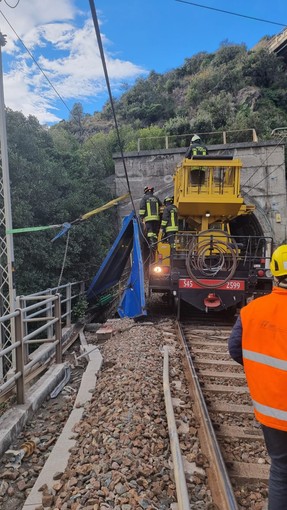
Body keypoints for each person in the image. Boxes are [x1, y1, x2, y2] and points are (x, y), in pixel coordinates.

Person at [228, 244, 287, 510]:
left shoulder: (252, 310)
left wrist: (260, 372)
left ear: (274, 272)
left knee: (281, 471)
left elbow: (234, 349)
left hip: (272, 412)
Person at [139, 186, 161, 250]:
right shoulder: (156, 198)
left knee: (150, 232)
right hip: (156, 219)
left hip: (149, 219)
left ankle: (152, 244)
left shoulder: (144, 198)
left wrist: (141, 217)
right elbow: (161, 205)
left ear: (145, 191)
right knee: (154, 232)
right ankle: (155, 243)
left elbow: (142, 209)